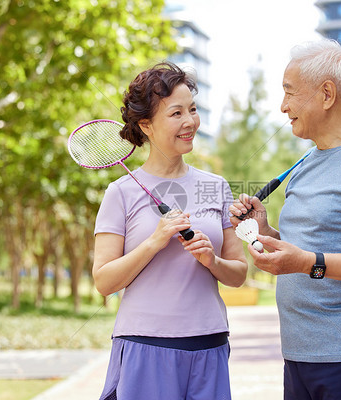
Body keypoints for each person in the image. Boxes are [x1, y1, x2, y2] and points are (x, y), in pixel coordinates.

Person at [229, 39, 341, 400]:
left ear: (327, 94)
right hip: (299, 355)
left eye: (290, 93)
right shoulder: (306, 163)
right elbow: (308, 247)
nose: (283, 107)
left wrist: (307, 263)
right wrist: (265, 231)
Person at [93, 62, 248, 400]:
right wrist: (155, 241)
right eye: (176, 113)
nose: (189, 121)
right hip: (145, 345)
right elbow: (104, 282)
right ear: (145, 124)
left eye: (192, 109)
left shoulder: (216, 187)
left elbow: (238, 273)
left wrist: (212, 261)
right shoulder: (121, 192)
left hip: (209, 344)